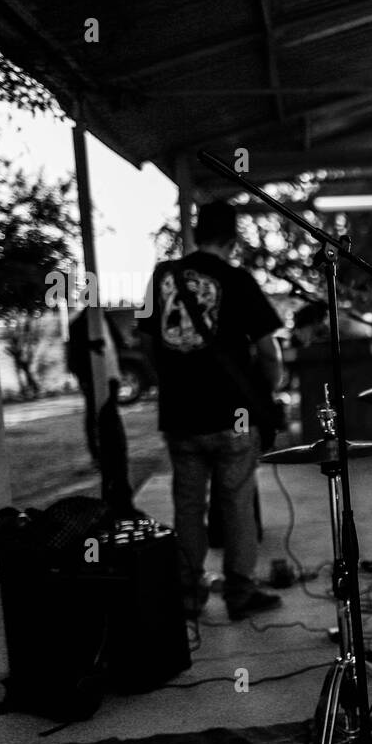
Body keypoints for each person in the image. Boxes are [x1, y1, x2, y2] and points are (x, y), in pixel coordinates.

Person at [137, 201, 284, 623]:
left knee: (187, 505)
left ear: (198, 234)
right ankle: (238, 592)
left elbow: (147, 342)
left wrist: (170, 382)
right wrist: (264, 394)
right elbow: (268, 352)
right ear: (232, 240)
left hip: (181, 416)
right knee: (235, 503)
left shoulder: (162, 277)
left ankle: (188, 595)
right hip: (233, 415)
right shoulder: (237, 280)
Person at [66, 308, 134, 512]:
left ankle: (111, 472)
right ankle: (99, 455)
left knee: (111, 426)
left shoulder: (103, 319)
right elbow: (75, 355)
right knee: (102, 423)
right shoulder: (80, 324)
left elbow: (116, 343)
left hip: (110, 377)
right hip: (94, 380)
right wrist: (85, 378)